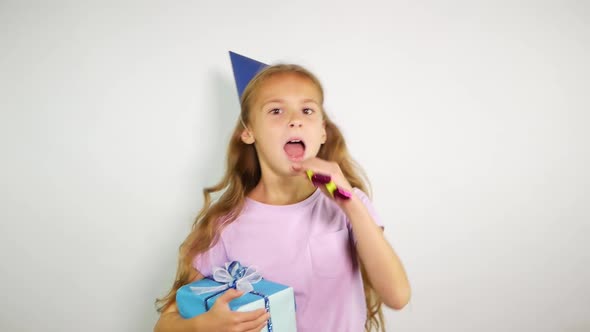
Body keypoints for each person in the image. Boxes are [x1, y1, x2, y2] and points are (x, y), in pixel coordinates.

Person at [154, 52, 411, 332]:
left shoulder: (351, 205)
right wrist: (202, 326)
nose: (295, 121)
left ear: (322, 131)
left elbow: (397, 296)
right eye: (276, 111)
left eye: (307, 110)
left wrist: (350, 205)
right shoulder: (225, 226)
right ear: (249, 131)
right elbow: (165, 324)